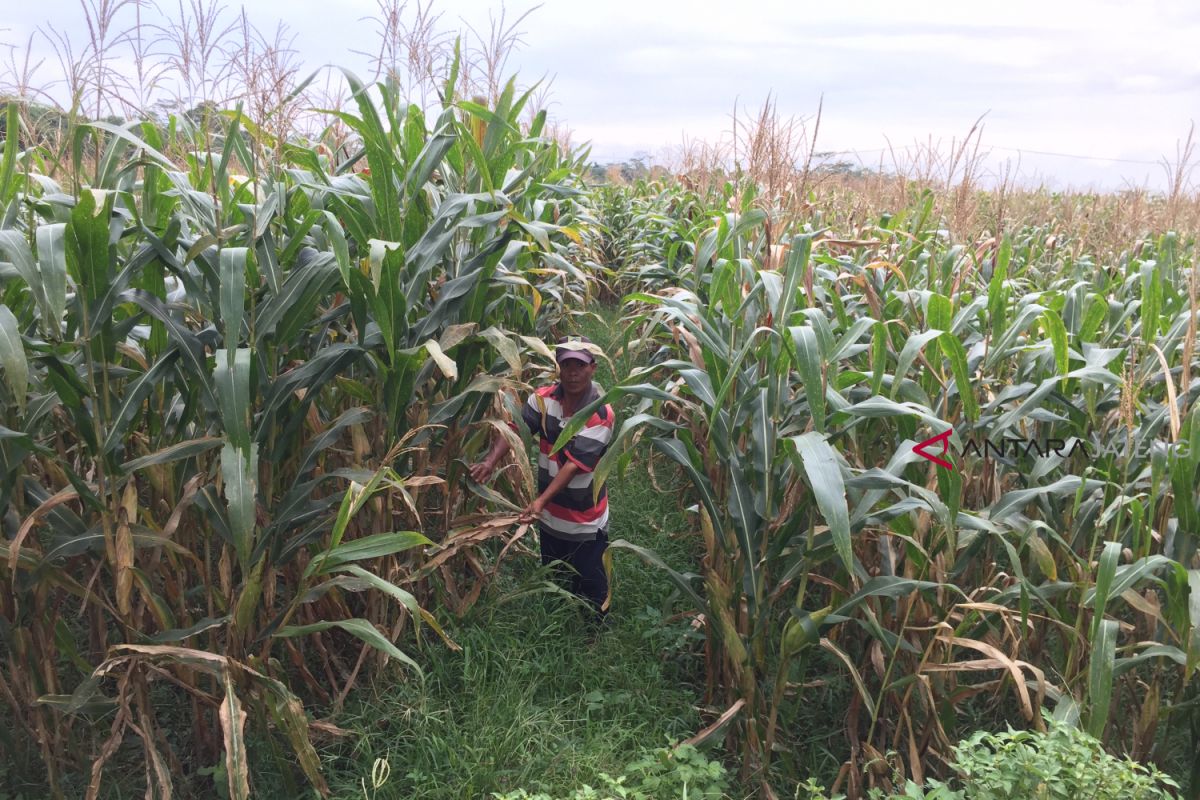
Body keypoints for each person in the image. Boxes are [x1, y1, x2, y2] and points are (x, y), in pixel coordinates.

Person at [469, 335, 615, 625]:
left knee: (591, 584)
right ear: (558, 367)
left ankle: (595, 637)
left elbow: (574, 466)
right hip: (550, 517)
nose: (573, 372)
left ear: (593, 368)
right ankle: (558, 628)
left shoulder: (600, 413)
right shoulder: (542, 399)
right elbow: (516, 430)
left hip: (585, 519)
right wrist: (489, 461)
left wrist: (539, 501)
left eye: (580, 365)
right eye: (566, 364)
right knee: (556, 578)